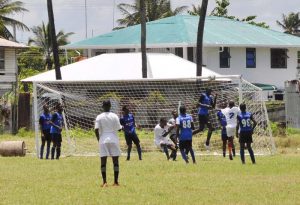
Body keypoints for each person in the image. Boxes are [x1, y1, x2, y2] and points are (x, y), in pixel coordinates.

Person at [95, 100, 122, 187]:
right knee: (115, 161)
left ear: (102, 106)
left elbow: (96, 130)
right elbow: (119, 128)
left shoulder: (99, 117)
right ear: (110, 106)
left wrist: (99, 140)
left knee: (103, 162)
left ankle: (104, 182)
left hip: (103, 140)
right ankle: (116, 182)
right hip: (114, 139)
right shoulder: (114, 116)